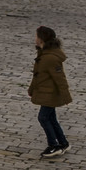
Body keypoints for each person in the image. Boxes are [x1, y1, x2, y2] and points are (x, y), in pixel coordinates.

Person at [29, 24, 72, 159]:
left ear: (41, 39)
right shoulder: (43, 53)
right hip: (45, 92)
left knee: (43, 117)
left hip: (50, 94)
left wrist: (66, 96)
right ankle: (63, 143)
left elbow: (60, 78)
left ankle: (53, 145)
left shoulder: (50, 58)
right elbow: (38, 75)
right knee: (51, 118)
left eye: (36, 36)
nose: (34, 38)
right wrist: (31, 89)